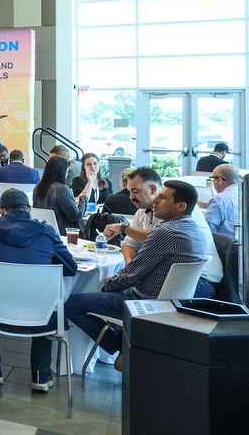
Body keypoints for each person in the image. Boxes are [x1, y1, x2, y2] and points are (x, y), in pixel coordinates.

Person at [65, 181, 211, 363]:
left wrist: (108, 285)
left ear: (181, 206)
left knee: (71, 303)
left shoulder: (165, 232)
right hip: (175, 303)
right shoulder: (192, 228)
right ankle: (130, 347)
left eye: (163, 197)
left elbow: (131, 275)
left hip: (145, 304)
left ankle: (122, 348)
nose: (155, 200)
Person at [0, 189, 77, 391]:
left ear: (1, 210)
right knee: (46, 297)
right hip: (39, 314)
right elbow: (70, 268)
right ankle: (40, 374)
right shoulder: (47, 231)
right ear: (30, 209)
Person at [102, 167, 222, 295]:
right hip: (169, 276)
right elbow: (130, 243)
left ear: (153, 189)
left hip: (198, 280)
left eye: (135, 191)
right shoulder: (142, 212)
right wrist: (129, 264)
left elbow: (158, 237)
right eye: (129, 192)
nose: (131, 197)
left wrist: (124, 228)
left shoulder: (178, 211)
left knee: (107, 292)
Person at [33, 155, 92, 234]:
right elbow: (76, 216)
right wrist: (84, 198)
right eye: (67, 171)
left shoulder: (38, 187)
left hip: (43, 231)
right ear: (62, 172)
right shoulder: (61, 189)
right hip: (63, 233)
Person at [205, 164, 239, 237]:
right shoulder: (244, 193)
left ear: (219, 180)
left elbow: (208, 231)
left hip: (225, 247)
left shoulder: (219, 199)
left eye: (213, 179)